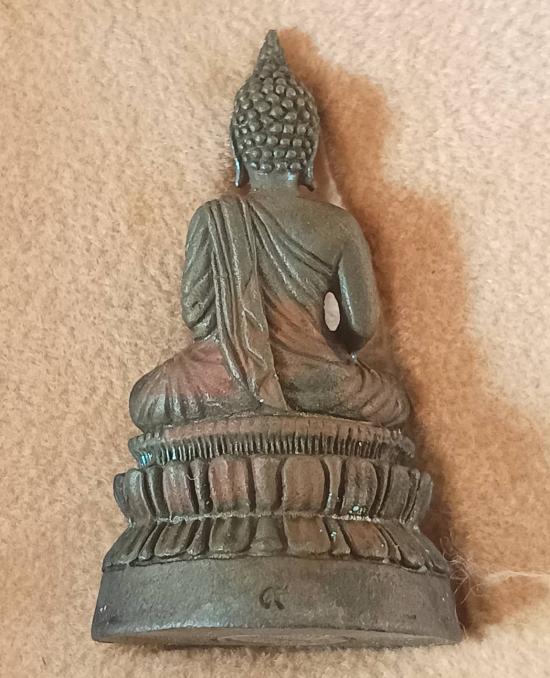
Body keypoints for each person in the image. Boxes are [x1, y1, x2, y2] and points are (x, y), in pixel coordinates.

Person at [129, 31, 409, 433]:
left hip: (224, 379)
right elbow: (362, 325)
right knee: (390, 403)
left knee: (149, 399)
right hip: (322, 382)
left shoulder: (214, 218)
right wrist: (325, 352)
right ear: (308, 151)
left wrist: (240, 343)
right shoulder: (338, 224)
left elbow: (197, 315)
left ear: (239, 151)